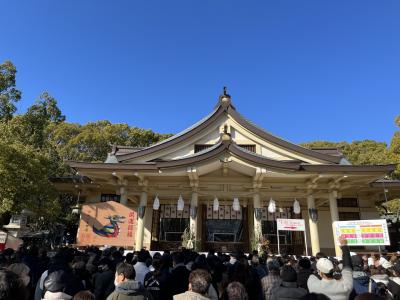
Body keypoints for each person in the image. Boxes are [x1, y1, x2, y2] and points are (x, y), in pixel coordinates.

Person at [308, 235, 353, 300]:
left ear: (321, 273)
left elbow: (313, 275)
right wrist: (344, 246)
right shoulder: (345, 287)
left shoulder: (313, 284)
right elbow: (347, 267)